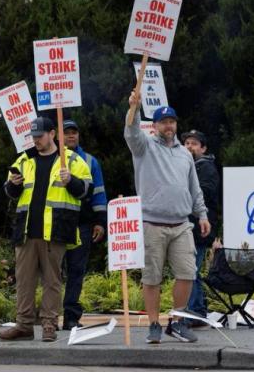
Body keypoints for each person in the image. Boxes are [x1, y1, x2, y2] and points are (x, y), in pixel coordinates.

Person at [124, 93, 211, 344]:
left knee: (187, 274)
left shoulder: (185, 154)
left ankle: (177, 321)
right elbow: (131, 131)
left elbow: (194, 188)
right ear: (154, 126)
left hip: (182, 224)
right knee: (152, 277)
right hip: (152, 224)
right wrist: (134, 108)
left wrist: (202, 214)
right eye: (164, 122)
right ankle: (153, 325)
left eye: (172, 121)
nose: (169, 126)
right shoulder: (143, 146)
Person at [0, 117, 92, 342]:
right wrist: (14, 185)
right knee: (24, 280)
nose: (36, 140)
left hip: (56, 229)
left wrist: (71, 181)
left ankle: (49, 324)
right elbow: (9, 192)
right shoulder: (23, 160)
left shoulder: (71, 160)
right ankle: (24, 325)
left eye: (40, 136)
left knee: (52, 280)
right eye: (33, 136)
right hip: (27, 230)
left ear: (52, 134)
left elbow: (86, 190)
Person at [62, 119, 108, 330]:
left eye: (74, 132)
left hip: (82, 223)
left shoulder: (90, 161)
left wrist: (100, 222)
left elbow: (98, 193)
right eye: (66, 133)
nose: (71, 136)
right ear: (57, 136)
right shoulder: (51, 158)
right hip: (55, 223)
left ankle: (71, 317)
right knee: (52, 273)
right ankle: (49, 317)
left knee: (76, 271)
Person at [181, 130, 220, 326]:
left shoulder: (206, 168)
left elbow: (203, 194)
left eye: (194, 143)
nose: (189, 147)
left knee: (191, 270)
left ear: (203, 148)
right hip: (189, 227)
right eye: (187, 143)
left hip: (199, 228)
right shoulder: (188, 167)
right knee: (190, 270)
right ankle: (197, 309)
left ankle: (195, 312)